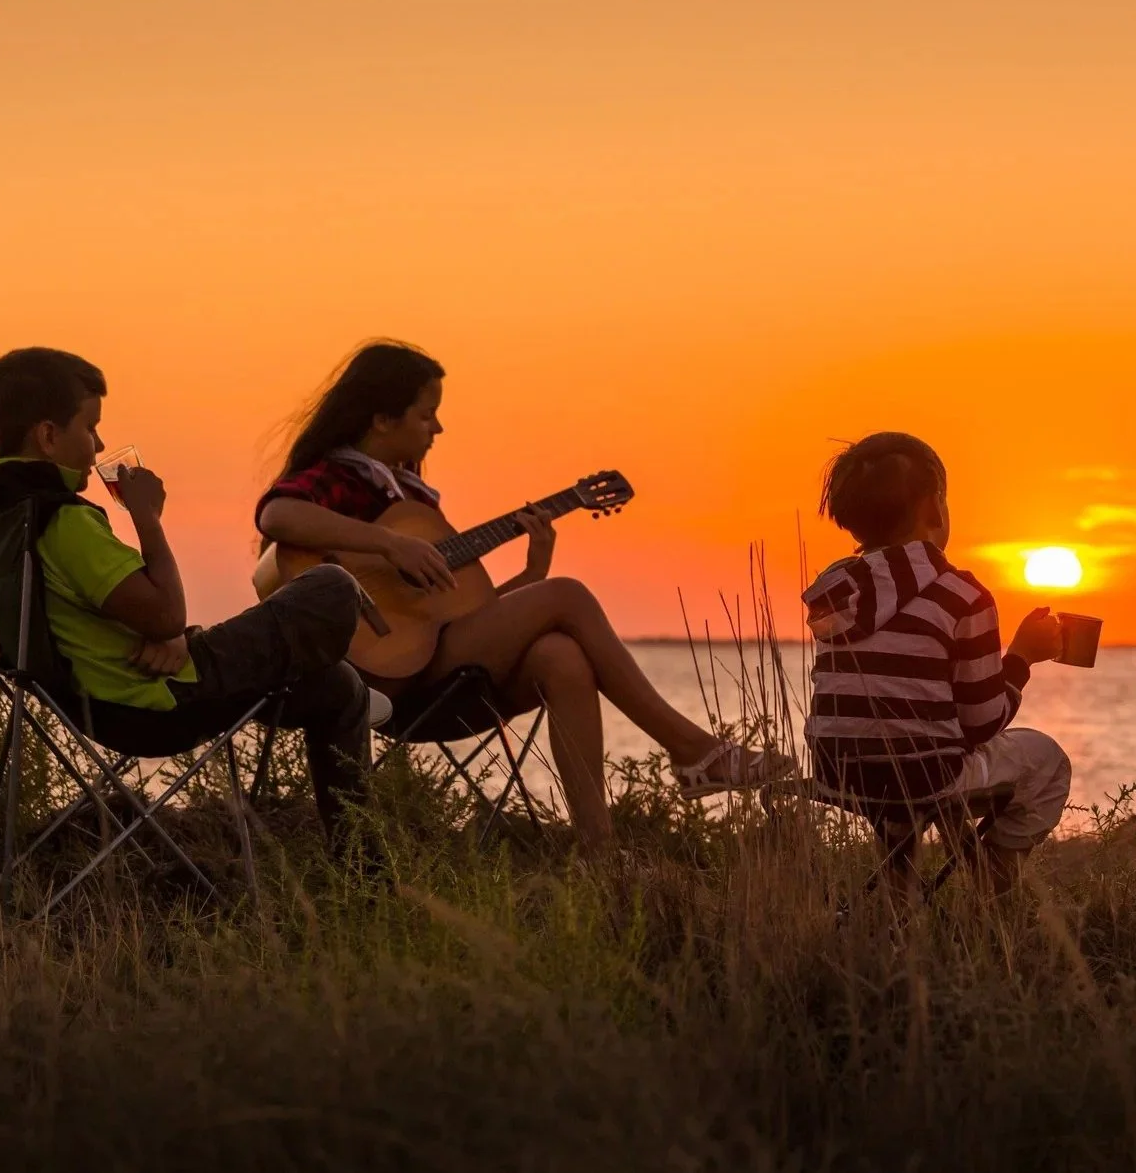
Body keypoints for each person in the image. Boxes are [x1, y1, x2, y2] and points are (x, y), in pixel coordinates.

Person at [253, 341, 790, 853]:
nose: (438, 427)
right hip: (369, 684)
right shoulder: (339, 479)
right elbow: (277, 515)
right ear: (381, 419)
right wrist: (388, 543)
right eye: (425, 414)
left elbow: (452, 619)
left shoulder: (414, 501)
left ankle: (598, 853)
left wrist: (533, 573)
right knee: (571, 595)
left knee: (562, 657)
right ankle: (692, 750)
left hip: (436, 678)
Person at [0, 347, 380, 852]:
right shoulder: (63, 521)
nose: (99, 445)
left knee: (336, 688)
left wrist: (171, 636)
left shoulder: (1, 516)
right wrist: (147, 519)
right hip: (161, 704)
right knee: (331, 584)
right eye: (90, 428)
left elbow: (122, 619)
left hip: (111, 698)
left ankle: (364, 869)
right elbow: (165, 613)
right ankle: (367, 867)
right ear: (48, 436)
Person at [803, 432, 1073, 894]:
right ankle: (994, 882)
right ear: (935, 507)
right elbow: (983, 723)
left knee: (911, 751)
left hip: (837, 769)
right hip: (921, 776)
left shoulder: (832, 592)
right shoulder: (962, 595)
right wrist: (1022, 658)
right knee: (1047, 760)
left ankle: (899, 889)